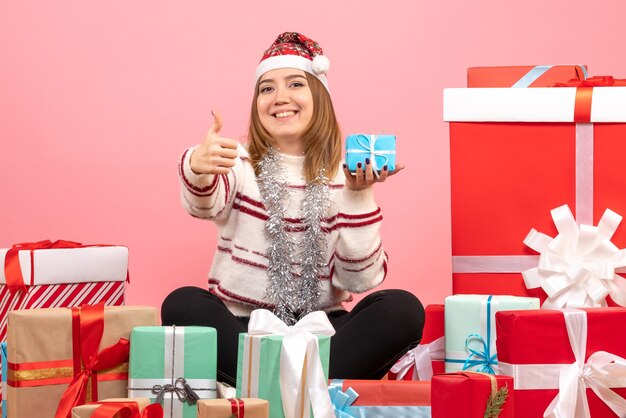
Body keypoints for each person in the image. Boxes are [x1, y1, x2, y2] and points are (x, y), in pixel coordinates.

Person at [162, 32, 424, 386]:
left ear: (319, 96)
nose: (279, 98)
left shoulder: (344, 174)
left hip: (322, 331)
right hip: (244, 329)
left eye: (295, 84)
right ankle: (306, 389)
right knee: (182, 304)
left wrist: (359, 196)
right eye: (266, 88)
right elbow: (205, 203)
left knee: (402, 310)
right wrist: (198, 164)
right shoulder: (238, 162)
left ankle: (269, 388)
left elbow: (359, 280)